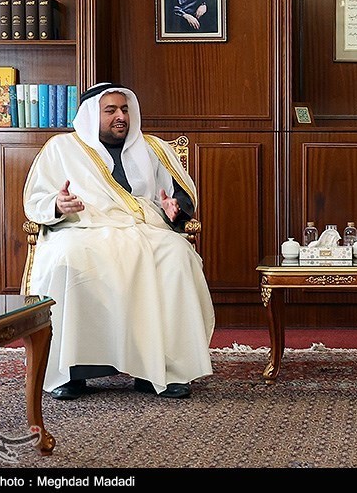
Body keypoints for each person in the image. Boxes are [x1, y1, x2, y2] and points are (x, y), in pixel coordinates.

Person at [23, 83, 215, 400]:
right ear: (90, 115)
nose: (121, 116)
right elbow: (37, 199)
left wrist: (174, 209)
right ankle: (71, 372)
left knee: (176, 253)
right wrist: (58, 204)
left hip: (143, 227)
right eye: (110, 110)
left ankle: (162, 370)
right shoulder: (61, 148)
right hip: (80, 227)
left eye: (124, 109)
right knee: (68, 256)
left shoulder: (152, 148)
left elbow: (178, 196)